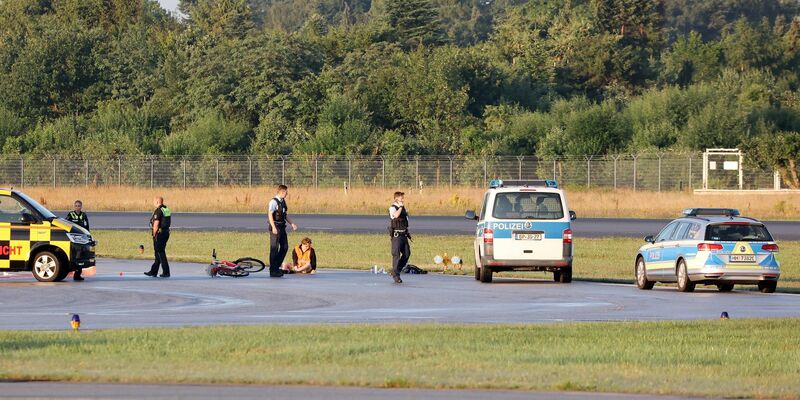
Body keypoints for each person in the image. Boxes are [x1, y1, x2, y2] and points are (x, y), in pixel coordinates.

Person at [268, 185, 297, 278]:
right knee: (274, 249)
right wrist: (273, 227)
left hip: (282, 227)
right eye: (286, 192)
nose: (287, 194)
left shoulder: (283, 201)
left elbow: (284, 215)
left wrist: (292, 223)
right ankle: (273, 270)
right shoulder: (273, 202)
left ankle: (276, 266)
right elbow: (270, 215)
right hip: (275, 227)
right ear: (282, 192)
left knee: (285, 247)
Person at [144, 196, 171, 278]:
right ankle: (153, 271)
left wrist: (154, 234)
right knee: (157, 253)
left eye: (154, 201)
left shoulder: (158, 211)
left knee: (160, 253)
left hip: (159, 234)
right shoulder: (166, 209)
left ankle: (166, 272)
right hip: (166, 233)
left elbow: (156, 224)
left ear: (157, 202)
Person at [388, 191, 411, 284]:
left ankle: (396, 270)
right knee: (396, 255)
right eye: (401, 197)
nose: (403, 199)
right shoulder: (392, 208)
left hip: (404, 235)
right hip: (397, 236)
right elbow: (395, 216)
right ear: (396, 198)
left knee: (407, 254)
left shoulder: (403, 208)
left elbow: (406, 220)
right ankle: (396, 275)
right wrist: (401, 207)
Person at [65, 200, 90, 281]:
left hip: (81, 239)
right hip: (73, 239)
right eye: (76, 206)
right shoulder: (71, 214)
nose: (77, 207)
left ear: (81, 207)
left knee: (81, 257)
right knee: (75, 256)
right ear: (74, 206)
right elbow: (66, 224)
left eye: (79, 206)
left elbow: (87, 227)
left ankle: (77, 275)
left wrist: (88, 237)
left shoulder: (83, 215)